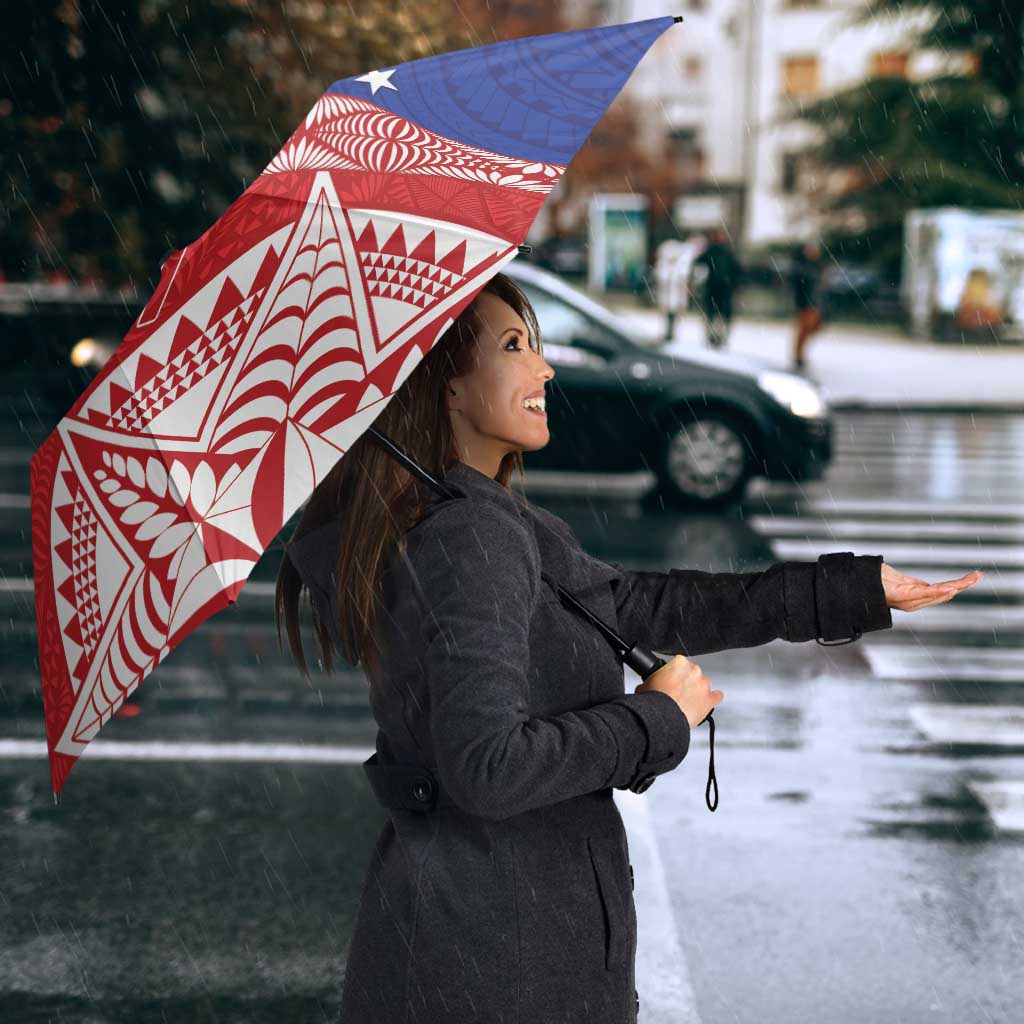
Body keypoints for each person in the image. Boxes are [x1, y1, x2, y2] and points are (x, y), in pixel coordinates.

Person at [275, 272, 974, 1024]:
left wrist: (849, 591)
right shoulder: (471, 536)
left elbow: (640, 605)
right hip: (500, 962)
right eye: (514, 347)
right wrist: (657, 719)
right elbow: (487, 767)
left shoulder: (469, 518)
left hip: (474, 940)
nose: (544, 369)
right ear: (448, 385)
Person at [692, 226, 742, 349]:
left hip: (722, 289)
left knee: (719, 315)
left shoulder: (724, 252)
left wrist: (735, 284)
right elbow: (698, 263)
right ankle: (713, 337)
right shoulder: (714, 251)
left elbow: (736, 270)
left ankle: (719, 337)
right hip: (716, 288)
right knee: (714, 314)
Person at [790, 239, 826, 370]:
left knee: (812, 327)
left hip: (814, 303)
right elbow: (799, 286)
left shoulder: (816, 266)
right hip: (805, 303)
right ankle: (798, 355)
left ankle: (799, 354)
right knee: (804, 329)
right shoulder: (802, 267)